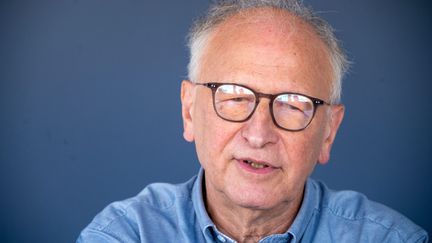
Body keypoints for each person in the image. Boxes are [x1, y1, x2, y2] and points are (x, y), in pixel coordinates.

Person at [77, 0, 428, 242]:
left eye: (294, 104)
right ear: (189, 111)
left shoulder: (390, 238)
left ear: (328, 132)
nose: (259, 134)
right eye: (234, 96)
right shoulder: (124, 234)